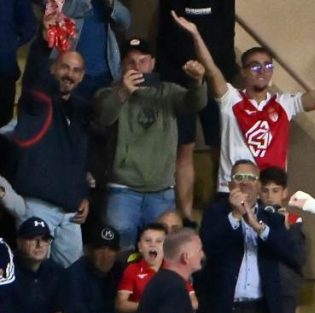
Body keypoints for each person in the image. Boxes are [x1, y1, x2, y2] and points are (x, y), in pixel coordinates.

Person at [171, 10, 315, 195]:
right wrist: (196, 35)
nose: (263, 71)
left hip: (270, 194)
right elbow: (211, 69)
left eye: (268, 66)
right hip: (233, 193)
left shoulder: (285, 103)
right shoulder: (230, 98)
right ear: (244, 72)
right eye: (255, 66)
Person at [93, 37, 207, 250]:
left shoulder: (169, 91)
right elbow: (104, 117)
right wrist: (123, 92)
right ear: (122, 66)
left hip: (161, 191)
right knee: (118, 251)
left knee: (162, 253)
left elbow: (195, 103)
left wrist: (197, 81)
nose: (137, 67)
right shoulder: (109, 92)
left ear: (152, 63)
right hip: (122, 190)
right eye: (130, 62)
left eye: (143, 60)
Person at [197, 159, 299, 313]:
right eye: (239, 178)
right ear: (230, 184)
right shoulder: (216, 213)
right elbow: (207, 248)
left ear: (258, 185)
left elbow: (290, 255)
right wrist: (234, 216)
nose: (244, 183)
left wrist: (258, 227)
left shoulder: (272, 218)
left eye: (250, 178)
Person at [12, 26, 90, 267]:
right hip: (38, 205)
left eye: (76, 70)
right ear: (53, 69)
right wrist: (44, 43)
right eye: (65, 67)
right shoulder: (38, 100)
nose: (70, 74)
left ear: (82, 77)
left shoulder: (81, 110)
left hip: (70, 211)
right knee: (33, 270)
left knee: (72, 277)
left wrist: (83, 194)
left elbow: (79, 160)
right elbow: (34, 69)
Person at [157, 0, 237, 226]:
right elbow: (164, 36)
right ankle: (187, 214)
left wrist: (224, 77)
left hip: (215, 79)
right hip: (180, 80)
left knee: (221, 146)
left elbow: (227, 33)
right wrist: (169, 75)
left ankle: (223, 203)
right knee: (185, 146)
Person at [52, 222, 122, 313]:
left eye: (111, 249)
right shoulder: (73, 274)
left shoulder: (121, 273)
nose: (106, 255)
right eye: (100, 248)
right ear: (87, 250)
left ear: (118, 253)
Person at [0, 217, 65, 313]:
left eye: (44, 239)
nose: (39, 244)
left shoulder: (57, 272)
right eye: (32, 239)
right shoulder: (6, 270)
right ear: (19, 242)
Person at [259, 166, 305, 313]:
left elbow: (298, 258)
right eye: (265, 190)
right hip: (259, 288)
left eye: (275, 191)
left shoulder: (294, 221)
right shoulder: (253, 218)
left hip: (283, 288)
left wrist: (285, 232)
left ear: (284, 193)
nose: (270, 196)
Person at [55, 0, 132, 99]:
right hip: (72, 74)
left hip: (105, 74)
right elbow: (63, 11)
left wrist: (111, 3)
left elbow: (126, 22)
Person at [0, 0, 34, 127]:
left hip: (4, 69)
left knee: (3, 118)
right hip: (5, 65)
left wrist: (9, 44)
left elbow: (29, 26)